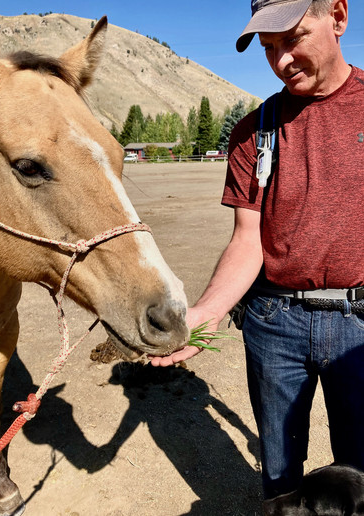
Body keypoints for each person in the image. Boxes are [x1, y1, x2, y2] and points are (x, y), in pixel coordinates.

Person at [151, 0, 364, 501]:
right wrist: (205, 312)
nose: (281, 61)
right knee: (280, 472)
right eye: (269, 48)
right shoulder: (255, 130)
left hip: (360, 323)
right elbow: (248, 241)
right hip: (274, 324)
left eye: (293, 39)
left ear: (337, 16)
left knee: (360, 476)